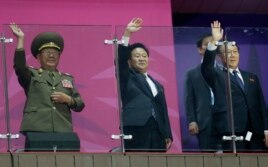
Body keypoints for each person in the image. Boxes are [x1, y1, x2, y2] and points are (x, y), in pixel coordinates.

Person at [201, 20, 268, 151]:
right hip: (231, 132)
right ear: (220, 57)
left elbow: (261, 106)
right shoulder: (217, 75)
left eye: (235, 51)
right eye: (228, 52)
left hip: (254, 132)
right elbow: (206, 66)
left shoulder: (251, 77)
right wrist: (214, 41)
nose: (233, 55)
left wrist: (266, 129)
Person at [9, 24, 85, 138]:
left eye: (55, 53)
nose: (51, 55)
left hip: (62, 129)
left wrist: (69, 100)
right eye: (47, 52)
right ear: (38, 57)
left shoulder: (67, 78)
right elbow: (19, 66)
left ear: (59, 57)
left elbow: (80, 104)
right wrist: (20, 39)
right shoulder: (32, 75)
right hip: (36, 128)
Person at [117, 18, 172, 152]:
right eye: (137, 56)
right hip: (136, 128)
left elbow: (163, 110)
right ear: (129, 61)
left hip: (158, 131)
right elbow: (120, 60)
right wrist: (127, 34)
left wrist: (167, 133)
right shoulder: (126, 77)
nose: (141, 58)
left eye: (144, 56)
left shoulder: (157, 84)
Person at [184, 33, 217, 151]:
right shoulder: (192, 74)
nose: (210, 47)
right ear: (199, 49)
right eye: (207, 45)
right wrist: (192, 121)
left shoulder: (225, 71)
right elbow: (189, 100)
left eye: (213, 44)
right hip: (204, 122)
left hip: (225, 122)